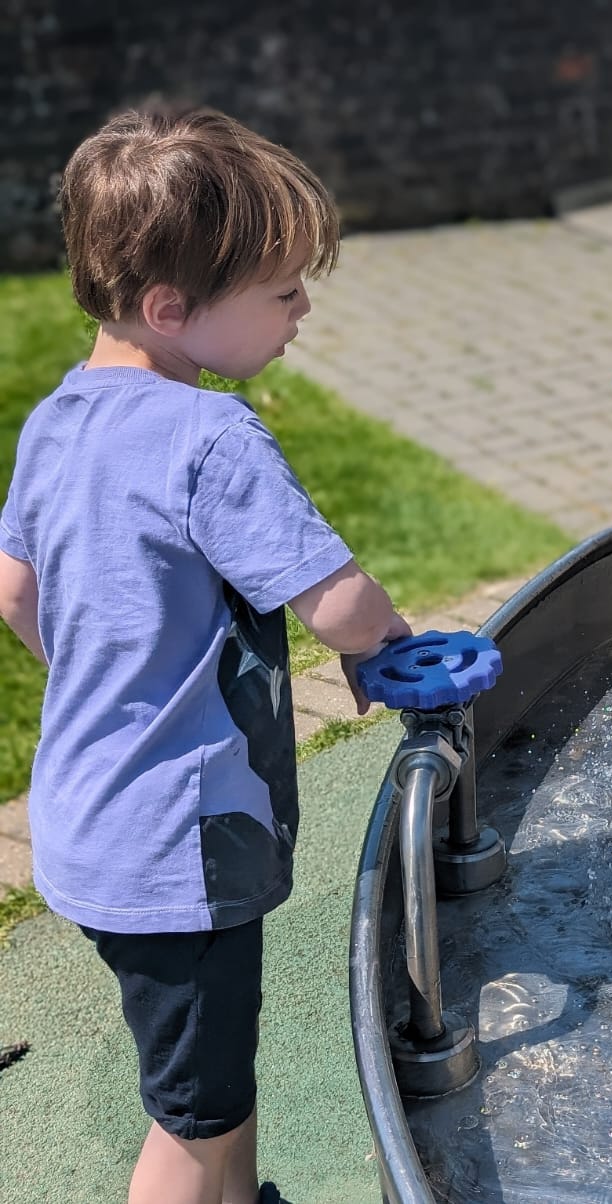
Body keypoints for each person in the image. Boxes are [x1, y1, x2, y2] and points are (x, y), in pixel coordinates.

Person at [0, 108, 410, 1204]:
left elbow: (14, 593)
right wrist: (399, 647)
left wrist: (107, 666)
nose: (303, 310)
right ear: (170, 309)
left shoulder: (52, 423)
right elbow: (336, 604)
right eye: (281, 292)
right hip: (179, 848)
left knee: (213, 1075)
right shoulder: (211, 437)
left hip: (90, 824)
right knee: (187, 1122)